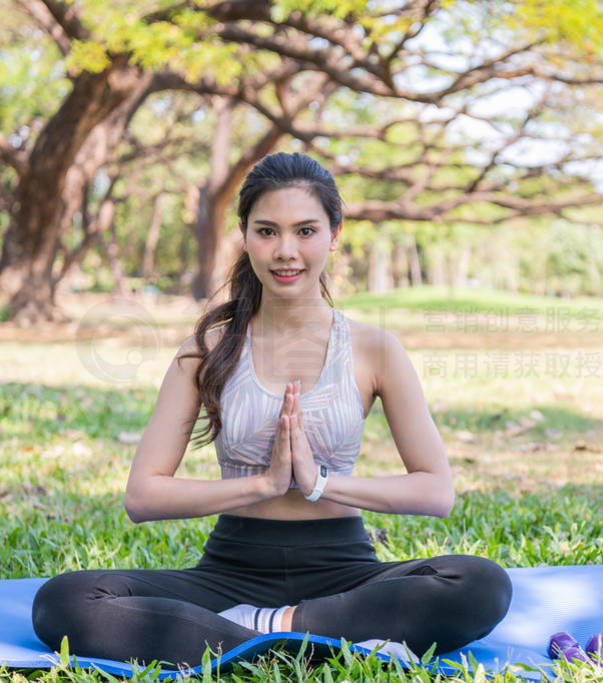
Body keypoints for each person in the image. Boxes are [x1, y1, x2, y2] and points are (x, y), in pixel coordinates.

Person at [31, 152, 513, 669]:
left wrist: (320, 481)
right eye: (267, 231)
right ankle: (323, 641)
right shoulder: (206, 349)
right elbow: (143, 495)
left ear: (334, 234)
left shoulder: (375, 350)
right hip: (230, 572)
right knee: (62, 602)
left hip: (346, 571)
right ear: (244, 234)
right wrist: (260, 485)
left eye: (305, 231)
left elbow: (435, 490)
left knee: (482, 584)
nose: (286, 251)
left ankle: (258, 635)